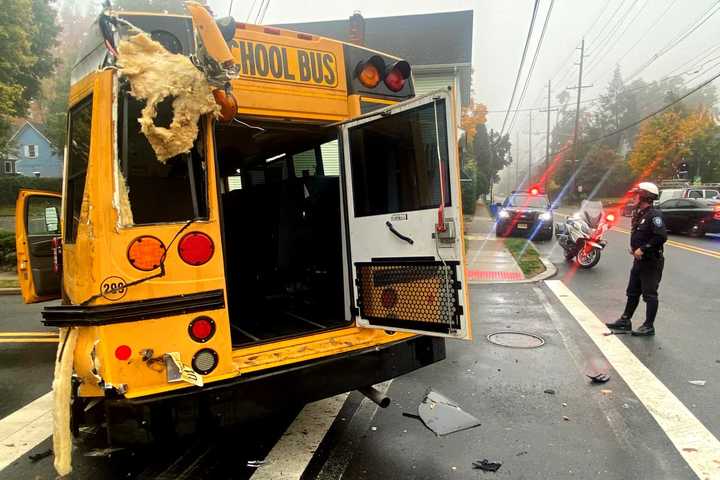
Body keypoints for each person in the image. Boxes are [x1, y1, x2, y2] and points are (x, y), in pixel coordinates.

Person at [606, 182, 667, 336]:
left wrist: (643, 248)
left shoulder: (654, 215)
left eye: (637, 195)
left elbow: (661, 236)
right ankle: (625, 320)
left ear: (645, 197)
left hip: (651, 261)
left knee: (650, 294)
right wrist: (634, 248)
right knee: (632, 292)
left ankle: (649, 326)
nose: (633, 197)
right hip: (639, 261)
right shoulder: (640, 213)